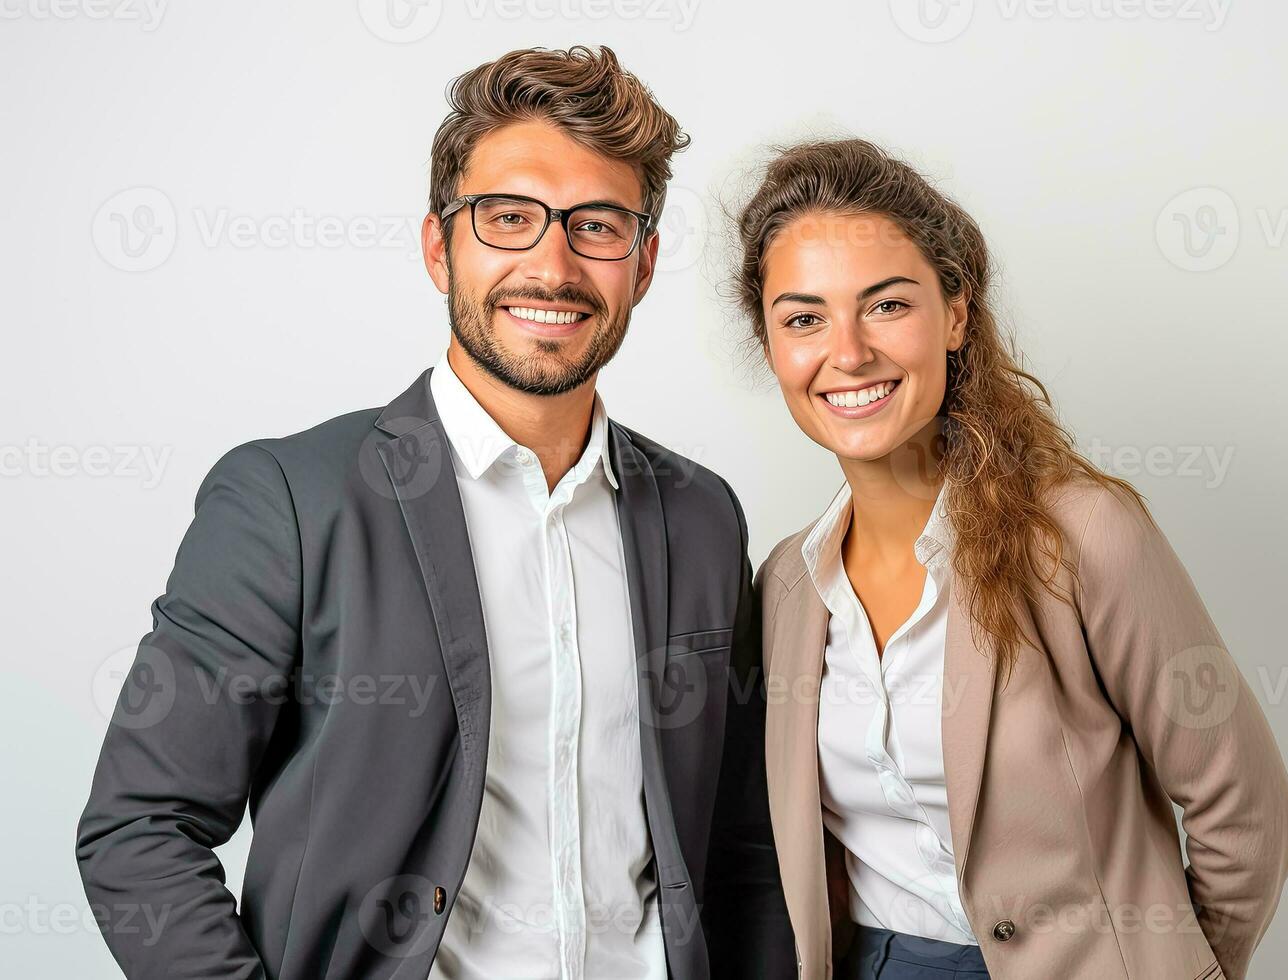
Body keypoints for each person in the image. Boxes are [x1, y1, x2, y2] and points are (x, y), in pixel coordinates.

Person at [77, 46, 794, 980]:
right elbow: (141, 830)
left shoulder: (701, 516)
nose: (552, 264)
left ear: (644, 262)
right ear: (437, 246)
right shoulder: (289, 501)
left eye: (598, 225)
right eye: (508, 219)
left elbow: (742, 848)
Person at [735, 139, 1288, 980]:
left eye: (887, 306)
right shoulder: (786, 583)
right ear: (773, 345)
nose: (847, 353)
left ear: (955, 313)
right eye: (804, 318)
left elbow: (1248, 813)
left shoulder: (1080, 538)